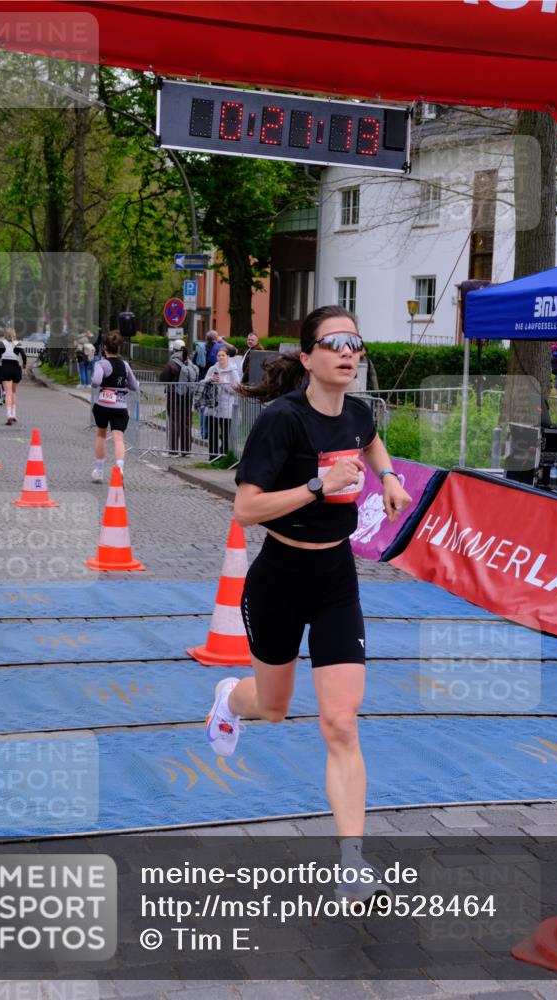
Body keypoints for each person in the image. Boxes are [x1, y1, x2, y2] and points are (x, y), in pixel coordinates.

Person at [204, 305, 412, 900]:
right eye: (334, 342)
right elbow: (244, 509)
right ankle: (228, 697)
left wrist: (390, 477)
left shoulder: (358, 412)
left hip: (335, 579)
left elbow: (370, 444)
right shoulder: (281, 420)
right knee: (272, 709)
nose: (348, 353)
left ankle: (352, 861)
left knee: (341, 722)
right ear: (307, 356)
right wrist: (321, 485)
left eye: (356, 342)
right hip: (279, 579)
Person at [90, 331, 139, 482]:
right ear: (118, 349)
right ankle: (119, 468)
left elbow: (97, 381)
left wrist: (93, 382)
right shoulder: (125, 365)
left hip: (103, 404)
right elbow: (133, 386)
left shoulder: (101, 364)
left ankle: (99, 471)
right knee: (118, 438)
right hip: (120, 406)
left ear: (104, 348)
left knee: (101, 435)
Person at [159, 338, 198, 455]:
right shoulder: (189, 362)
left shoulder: (172, 363)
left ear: (174, 350)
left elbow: (163, 378)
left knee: (174, 421)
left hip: (174, 396)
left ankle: (173, 450)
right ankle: (186, 451)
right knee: (186, 421)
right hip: (188, 396)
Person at [202, 346, 240, 459]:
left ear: (227, 357)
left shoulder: (232, 371)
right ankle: (212, 456)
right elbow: (204, 382)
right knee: (212, 432)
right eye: (219, 355)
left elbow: (236, 389)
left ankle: (224, 456)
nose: (220, 357)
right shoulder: (212, 369)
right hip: (213, 405)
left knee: (225, 434)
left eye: (223, 355)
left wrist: (223, 383)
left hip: (226, 406)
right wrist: (210, 380)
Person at [0, 328, 27, 424]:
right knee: (13, 392)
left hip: (5, 367)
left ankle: (8, 414)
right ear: (14, 334)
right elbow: (24, 355)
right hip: (16, 368)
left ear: (5, 334)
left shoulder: (2, 343)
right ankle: (14, 414)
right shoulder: (18, 343)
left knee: (7, 392)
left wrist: (0, 357)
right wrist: (24, 364)